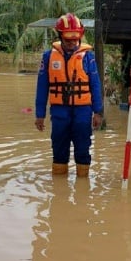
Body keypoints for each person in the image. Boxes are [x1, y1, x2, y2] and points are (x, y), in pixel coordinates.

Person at [34, 13, 104, 177]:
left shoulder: (88, 57)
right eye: (68, 39)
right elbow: (42, 87)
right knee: (58, 146)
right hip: (59, 110)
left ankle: (83, 188)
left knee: (83, 146)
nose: (72, 43)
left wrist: (98, 112)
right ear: (60, 36)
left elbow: (95, 85)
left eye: (76, 39)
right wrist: (39, 115)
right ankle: (59, 190)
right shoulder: (48, 57)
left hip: (83, 111)